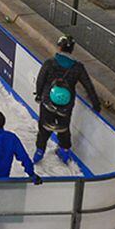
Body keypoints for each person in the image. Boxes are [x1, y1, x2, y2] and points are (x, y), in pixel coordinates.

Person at [33, 36, 102, 164]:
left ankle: (39, 151)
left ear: (59, 47)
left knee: (44, 126)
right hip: (66, 104)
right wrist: (96, 104)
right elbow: (88, 86)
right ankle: (64, 151)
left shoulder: (50, 62)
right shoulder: (78, 67)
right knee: (63, 127)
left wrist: (39, 94)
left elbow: (40, 79)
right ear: (72, 50)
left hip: (48, 101)